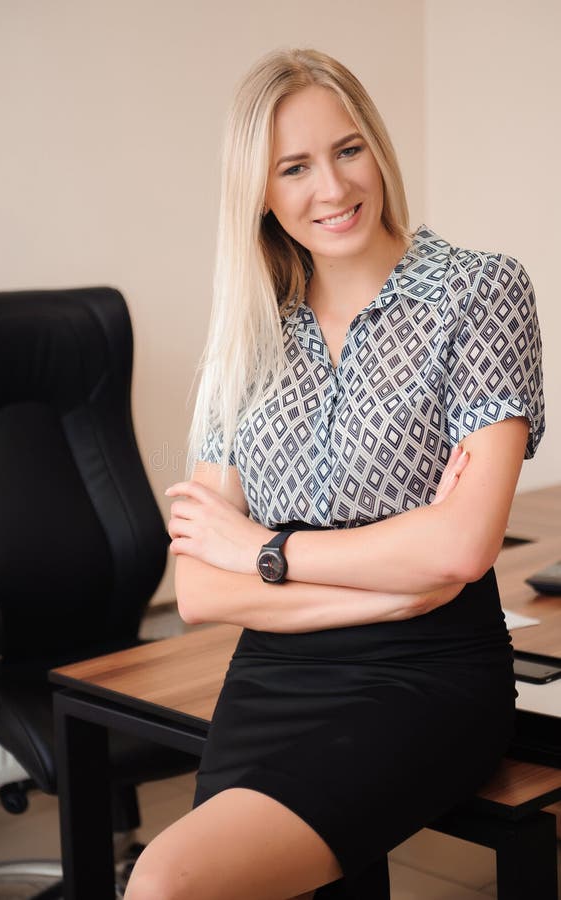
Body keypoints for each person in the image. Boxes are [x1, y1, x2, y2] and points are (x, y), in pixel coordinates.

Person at [125, 48, 545, 900]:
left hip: (425, 674)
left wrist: (262, 548)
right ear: (262, 193)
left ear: (378, 150)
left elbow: (462, 548)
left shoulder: (479, 291)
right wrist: (391, 583)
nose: (331, 187)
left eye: (346, 150)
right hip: (276, 679)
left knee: (165, 885)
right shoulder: (248, 335)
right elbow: (200, 589)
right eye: (294, 166)